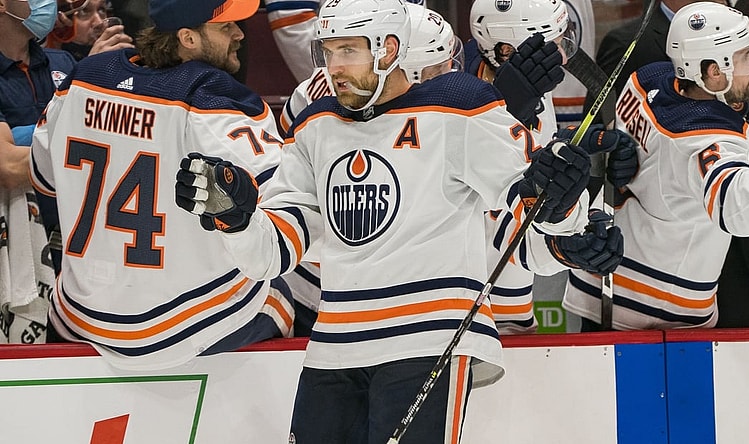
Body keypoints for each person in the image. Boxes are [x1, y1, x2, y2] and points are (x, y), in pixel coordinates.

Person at [174, 1, 619, 441]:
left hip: (430, 338)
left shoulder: (458, 110)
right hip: (334, 346)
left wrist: (563, 203)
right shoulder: (316, 126)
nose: (335, 67)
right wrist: (237, 219)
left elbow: (530, 209)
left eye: (349, 51)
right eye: (328, 52)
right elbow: (273, 253)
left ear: (388, 49)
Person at [29, 0, 294, 370]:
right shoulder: (217, 99)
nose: (239, 35)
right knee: (286, 291)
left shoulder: (84, 77)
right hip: (175, 328)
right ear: (187, 37)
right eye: (227, 27)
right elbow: (285, 207)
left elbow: (44, 178)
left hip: (79, 313)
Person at [562, 2, 749, 331]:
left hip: (601, 284)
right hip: (658, 310)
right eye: (743, 57)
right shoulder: (708, 138)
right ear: (713, 71)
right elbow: (732, 202)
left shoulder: (647, 80)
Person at [277, 2, 465, 336]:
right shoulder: (322, 100)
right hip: (326, 287)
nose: (448, 78)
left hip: (387, 286)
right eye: (438, 71)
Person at [466, 0, 636, 333]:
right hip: (468, 317)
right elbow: (492, 220)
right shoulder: (456, 101)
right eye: (552, 44)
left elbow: (530, 173)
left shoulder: (533, 90)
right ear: (505, 49)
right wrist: (561, 247)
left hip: (513, 309)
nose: (563, 53)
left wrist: (568, 152)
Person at [1, 0, 74, 344]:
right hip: (16, 250)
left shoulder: (64, 62)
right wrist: (79, 150)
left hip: (74, 252)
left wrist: (22, 136)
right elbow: (7, 166)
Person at [46, 0, 133, 61]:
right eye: (84, 11)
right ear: (61, 18)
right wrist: (92, 64)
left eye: (101, 9)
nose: (99, 22)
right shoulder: (49, 61)